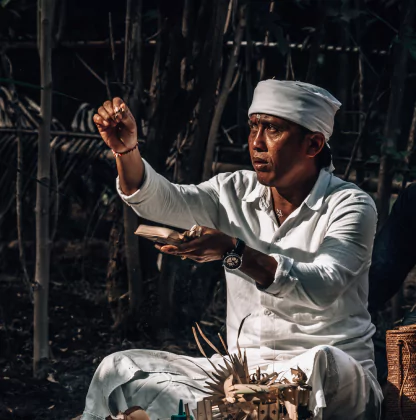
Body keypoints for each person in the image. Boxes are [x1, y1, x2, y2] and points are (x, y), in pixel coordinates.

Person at [80, 80, 382, 420]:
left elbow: (325, 284)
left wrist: (234, 251)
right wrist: (126, 151)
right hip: (239, 377)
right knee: (119, 369)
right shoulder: (233, 190)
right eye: (254, 126)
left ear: (312, 144)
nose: (256, 142)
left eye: (273, 129)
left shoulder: (350, 205)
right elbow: (164, 202)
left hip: (334, 375)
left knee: (321, 365)